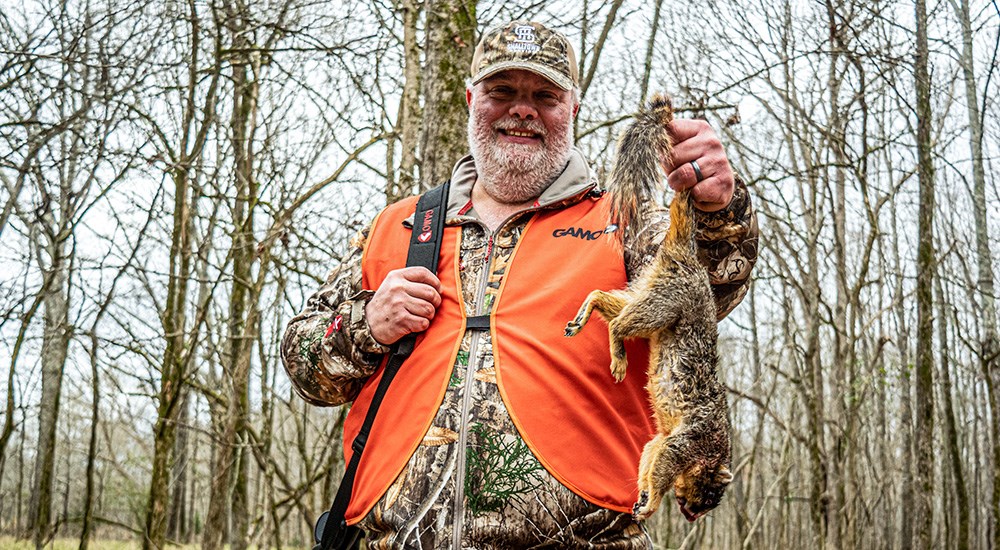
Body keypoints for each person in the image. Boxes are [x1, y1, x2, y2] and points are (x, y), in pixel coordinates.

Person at [282, 20, 758, 549]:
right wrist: (368, 325)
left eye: (545, 95)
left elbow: (711, 289)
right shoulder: (399, 224)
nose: (522, 109)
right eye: (501, 91)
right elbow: (307, 369)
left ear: (572, 109)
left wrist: (717, 209)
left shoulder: (625, 222)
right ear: (470, 100)